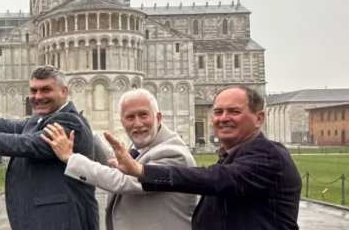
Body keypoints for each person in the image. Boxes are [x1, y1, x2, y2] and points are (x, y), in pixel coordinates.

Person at [104, 85, 301, 230]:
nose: (223, 118)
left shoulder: (269, 156)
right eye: (218, 112)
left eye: (234, 111)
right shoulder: (233, 155)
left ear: (259, 118)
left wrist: (142, 170)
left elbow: (218, 178)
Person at [0, 65, 98, 230]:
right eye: (33, 90)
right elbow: (7, 126)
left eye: (45, 90)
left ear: (64, 91)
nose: (38, 96)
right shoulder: (41, 118)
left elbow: (24, 144)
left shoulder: (69, 122)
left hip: (62, 221)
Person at [42, 88, 197, 230]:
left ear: (158, 117)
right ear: (122, 122)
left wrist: (70, 158)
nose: (137, 123)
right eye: (130, 117)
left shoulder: (174, 153)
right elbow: (118, 166)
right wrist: (86, 131)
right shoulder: (143, 146)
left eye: (143, 115)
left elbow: (124, 181)